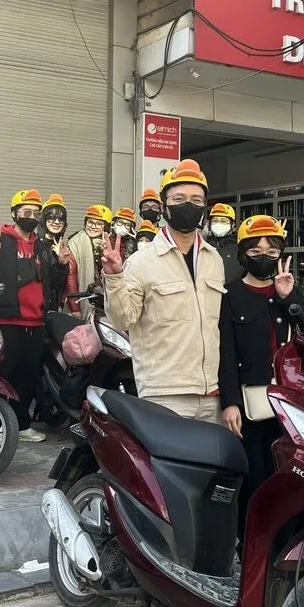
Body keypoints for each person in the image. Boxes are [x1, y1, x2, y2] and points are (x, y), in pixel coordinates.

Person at [102, 159, 224, 421]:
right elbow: (123, 319)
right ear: (164, 205)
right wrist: (114, 278)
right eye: (179, 198)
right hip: (164, 393)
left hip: (212, 393)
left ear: (205, 206)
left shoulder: (214, 259)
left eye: (196, 199)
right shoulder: (142, 262)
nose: (188, 205)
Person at [218, 215, 304, 539]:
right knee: (254, 479)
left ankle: (288, 542)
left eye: (272, 250)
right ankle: (251, 546)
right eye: (256, 249)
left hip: (289, 404)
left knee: (288, 476)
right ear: (242, 254)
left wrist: (289, 299)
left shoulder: (287, 292)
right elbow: (226, 353)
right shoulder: (229, 295)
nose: (265, 255)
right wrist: (229, 403)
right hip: (249, 406)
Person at [0, 189, 70, 442]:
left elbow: (53, 283)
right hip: (6, 322)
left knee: (28, 375)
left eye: (36, 212)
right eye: (26, 212)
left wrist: (60, 264)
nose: (32, 216)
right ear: (14, 213)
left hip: (35, 322)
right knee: (4, 376)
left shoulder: (43, 245)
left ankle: (21, 424)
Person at [68, 203, 112, 318]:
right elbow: (71, 275)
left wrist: (103, 253)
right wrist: (75, 308)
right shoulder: (75, 242)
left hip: (105, 302)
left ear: (105, 227)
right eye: (90, 222)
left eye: (99, 224)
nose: (93, 226)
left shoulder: (110, 244)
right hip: (83, 300)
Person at [41, 194, 79, 313]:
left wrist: (61, 262)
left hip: (58, 305)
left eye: (61, 219)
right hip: (39, 306)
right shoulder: (36, 244)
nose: (57, 222)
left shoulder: (66, 246)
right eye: (52, 217)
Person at [206, 202, 240, 284]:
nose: (219, 224)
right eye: (215, 221)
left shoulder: (239, 248)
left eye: (224, 221)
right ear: (209, 224)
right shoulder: (203, 246)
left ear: (233, 225)